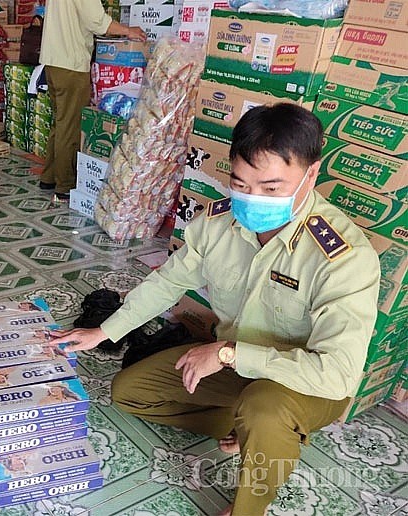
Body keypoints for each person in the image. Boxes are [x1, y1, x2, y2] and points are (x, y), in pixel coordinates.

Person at [49, 104, 380, 515]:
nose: (252, 199)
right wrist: (104, 332)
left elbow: (337, 374)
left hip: (304, 384)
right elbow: (169, 281)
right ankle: (253, 428)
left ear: (310, 175)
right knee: (130, 392)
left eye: (272, 188)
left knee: (266, 407)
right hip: (234, 364)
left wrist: (228, 354)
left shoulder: (343, 258)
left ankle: (251, 500)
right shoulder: (219, 222)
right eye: (240, 183)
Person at [39, 0, 146, 202]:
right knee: (70, 126)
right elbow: (98, 22)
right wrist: (127, 31)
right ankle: (65, 185)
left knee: (60, 122)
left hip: (53, 62)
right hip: (71, 64)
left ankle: (49, 177)